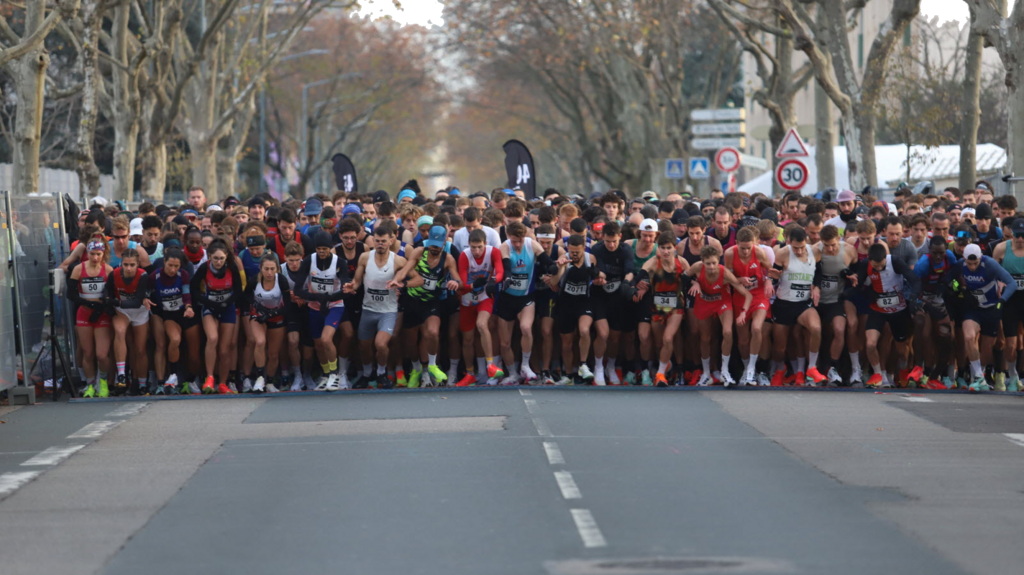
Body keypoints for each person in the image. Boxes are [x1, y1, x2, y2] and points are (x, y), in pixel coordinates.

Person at [397, 225, 463, 386]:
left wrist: (455, 282)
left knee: (433, 333)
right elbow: (405, 269)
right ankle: (416, 369)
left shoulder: (448, 259)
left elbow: (459, 280)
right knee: (410, 342)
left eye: (437, 246)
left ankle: (432, 366)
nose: (434, 248)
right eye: (431, 245)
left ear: (443, 243)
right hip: (412, 301)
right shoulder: (419, 251)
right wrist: (397, 281)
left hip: (432, 302)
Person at [495, 222, 558, 384]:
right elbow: (507, 266)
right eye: (514, 241)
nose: (517, 244)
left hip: (526, 298)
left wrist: (554, 268)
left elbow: (547, 261)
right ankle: (512, 374)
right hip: (507, 298)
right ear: (509, 237)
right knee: (505, 342)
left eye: (520, 241)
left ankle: (525, 365)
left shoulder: (532, 245)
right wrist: (508, 278)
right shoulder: (505, 246)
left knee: (526, 328)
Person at [345, 226, 407, 389]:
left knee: (380, 344)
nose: (380, 244)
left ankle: (381, 373)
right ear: (373, 241)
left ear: (391, 241)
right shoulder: (365, 258)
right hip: (368, 309)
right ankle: (367, 374)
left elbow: (418, 279)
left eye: (383, 241)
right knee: (364, 346)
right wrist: (353, 286)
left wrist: (402, 284)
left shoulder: (398, 260)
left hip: (388, 311)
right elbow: (357, 281)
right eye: (377, 241)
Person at [683, 245, 752, 386]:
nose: (711, 267)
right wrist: (694, 282)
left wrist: (743, 313)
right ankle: (706, 374)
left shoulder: (725, 273)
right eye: (708, 263)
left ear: (718, 261)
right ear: (702, 262)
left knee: (727, 332)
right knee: (705, 338)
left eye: (714, 263)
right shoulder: (697, 267)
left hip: (722, 302)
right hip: (704, 301)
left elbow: (747, 295)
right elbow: (682, 277)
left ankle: (724, 372)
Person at [856, 243, 922, 388]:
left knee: (901, 349)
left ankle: (904, 369)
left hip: (898, 310)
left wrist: (913, 298)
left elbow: (915, 280)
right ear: (870, 260)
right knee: (870, 343)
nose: (879, 269)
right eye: (876, 266)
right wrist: (862, 290)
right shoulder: (865, 264)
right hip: (878, 309)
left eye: (881, 265)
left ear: (886, 258)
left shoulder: (895, 262)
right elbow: (859, 285)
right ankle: (879, 374)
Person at [952, 243, 1017, 391]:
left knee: (987, 347)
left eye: (975, 263)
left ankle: (978, 376)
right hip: (973, 309)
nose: (972, 267)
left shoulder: (989, 264)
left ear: (980, 258)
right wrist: (959, 288)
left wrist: (1001, 302)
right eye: (969, 263)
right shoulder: (960, 265)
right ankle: (979, 376)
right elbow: (950, 280)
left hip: (991, 309)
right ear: (964, 258)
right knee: (968, 337)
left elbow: (1011, 284)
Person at [767, 227, 827, 386]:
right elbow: (774, 275)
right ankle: (780, 368)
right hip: (784, 304)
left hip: (803, 305)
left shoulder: (814, 252)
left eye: (801, 247)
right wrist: (771, 279)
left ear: (806, 241)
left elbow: (819, 272)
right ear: (788, 242)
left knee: (816, 328)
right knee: (780, 348)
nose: (799, 251)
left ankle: (812, 367)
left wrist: (816, 286)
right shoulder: (783, 253)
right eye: (795, 248)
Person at [294, 231, 350, 391]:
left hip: (334, 305)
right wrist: (316, 297)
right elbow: (298, 289)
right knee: (318, 344)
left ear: (330, 248)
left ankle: (335, 374)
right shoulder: (308, 261)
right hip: (315, 306)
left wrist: (328, 298)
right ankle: (326, 375)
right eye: (319, 249)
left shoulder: (339, 262)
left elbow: (345, 288)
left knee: (326, 339)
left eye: (325, 249)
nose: (322, 252)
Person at [634, 232, 689, 386]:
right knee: (659, 343)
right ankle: (666, 365)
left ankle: (660, 374)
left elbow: (692, 277)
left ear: (674, 248)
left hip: (676, 306)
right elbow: (641, 274)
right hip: (657, 305)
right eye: (663, 248)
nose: (665, 251)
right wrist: (635, 285)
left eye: (669, 248)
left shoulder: (682, 262)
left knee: (668, 338)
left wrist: (696, 283)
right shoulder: (653, 262)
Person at [724, 226, 774, 386]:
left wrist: (768, 281)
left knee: (757, 329)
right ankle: (746, 369)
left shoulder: (758, 252)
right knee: (743, 340)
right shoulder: (730, 254)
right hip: (741, 296)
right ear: (736, 243)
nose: (746, 252)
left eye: (749, 248)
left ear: (754, 243)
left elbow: (770, 270)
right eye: (742, 248)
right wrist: (739, 280)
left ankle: (752, 369)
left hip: (758, 295)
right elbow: (726, 278)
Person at [191, 241, 243, 394]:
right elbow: (194, 288)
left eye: (221, 258)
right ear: (209, 257)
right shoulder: (204, 268)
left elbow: (239, 290)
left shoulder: (232, 267)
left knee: (225, 348)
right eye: (215, 259)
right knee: (212, 338)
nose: (218, 262)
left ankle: (223, 382)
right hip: (210, 307)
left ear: (226, 257)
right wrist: (207, 302)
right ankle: (210, 377)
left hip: (227, 308)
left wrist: (226, 303)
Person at [146, 248, 200, 395]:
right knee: (174, 340)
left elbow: (186, 292)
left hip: (186, 313)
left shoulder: (183, 275)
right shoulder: (155, 276)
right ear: (164, 262)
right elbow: (147, 291)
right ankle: (173, 375)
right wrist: (146, 299)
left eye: (176, 266)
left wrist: (188, 307)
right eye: (170, 265)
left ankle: (191, 380)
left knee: (194, 354)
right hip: (169, 315)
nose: (173, 269)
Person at [458, 229, 505, 385]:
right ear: (469, 245)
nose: (476, 251)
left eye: (479, 247)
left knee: (482, 324)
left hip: (484, 296)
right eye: (473, 247)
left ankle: (491, 365)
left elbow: (500, 271)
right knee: (468, 340)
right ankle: (470, 373)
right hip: (467, 299)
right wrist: (472, 285)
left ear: (485, 244)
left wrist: (493, 281)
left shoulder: (493, 252)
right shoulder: (464, 255)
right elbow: (463, 284)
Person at [67, 240, 115, 398]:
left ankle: (102, 382)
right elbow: (71, 294)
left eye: (98, 254)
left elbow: (112, 294)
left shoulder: (108, 270)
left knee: (102, 354)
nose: (95, 258)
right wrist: (88, 303)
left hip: (101, 315)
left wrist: (102, 305)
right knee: (87, 353)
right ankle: (90, 384)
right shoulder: (79, 269)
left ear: (103, 254)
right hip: (85, 313)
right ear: (87, 253)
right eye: (92, 254)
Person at [816, 225, 859, 386]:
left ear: (839, 240)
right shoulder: (815, 250)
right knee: (813, 332)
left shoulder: (848, 251)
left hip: (835, 301)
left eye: (833, 245)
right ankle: (811, 368)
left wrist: (850, 275)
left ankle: (833, 368)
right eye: (826, 245)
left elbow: (857, 270)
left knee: (840, 329)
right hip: (816, 302)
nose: (830, 248)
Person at [552, 234, 598, 384]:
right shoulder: (563, 259)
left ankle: (583, 365)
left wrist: (597, 275)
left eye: (577, 252)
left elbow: (599, 277)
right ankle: (569, 374)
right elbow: (554, 284)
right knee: (567, 342)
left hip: (584, 301)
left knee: (584, 330)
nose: (574, 255)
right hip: (566, 303)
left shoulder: (590, 259)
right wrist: (560, 268)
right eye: (572, 252)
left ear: (583, 249)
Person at [106, 249, 151, 395]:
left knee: (139, 349)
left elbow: (138, 301)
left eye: (132, 265)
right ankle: (121, 375)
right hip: (122, 311)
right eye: (126, 265)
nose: (129, 268)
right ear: (121, 264)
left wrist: (116, 302)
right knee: (119, 332)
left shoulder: (143, 275)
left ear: (138, 264)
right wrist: (112, 302)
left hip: (139, 311)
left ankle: (142, 383)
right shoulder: (114, 274)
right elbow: (107, 295)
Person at [245, 253, 292, 393]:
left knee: (273, 353)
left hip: (276, 316)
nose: (269, 273)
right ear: (261, 268)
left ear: (277, 268)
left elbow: (288, 306)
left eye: (272, 269)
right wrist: (257, 307)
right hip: (258, 315)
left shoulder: (281, 280)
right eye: (266, 269)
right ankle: (260, 378)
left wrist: (272, 313)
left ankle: (270, 381)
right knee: (259, 342)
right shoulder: (255, 280)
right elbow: (245, 295)